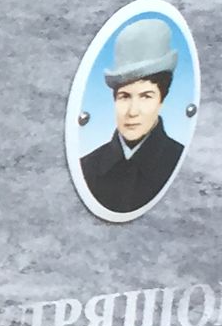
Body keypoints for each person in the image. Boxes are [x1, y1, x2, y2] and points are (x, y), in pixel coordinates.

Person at [78, 18, 187, 216]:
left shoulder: (180, 160)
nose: (133, 111)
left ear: (161, 100)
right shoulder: (87, 167)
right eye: (125, 96)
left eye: (146, 96)